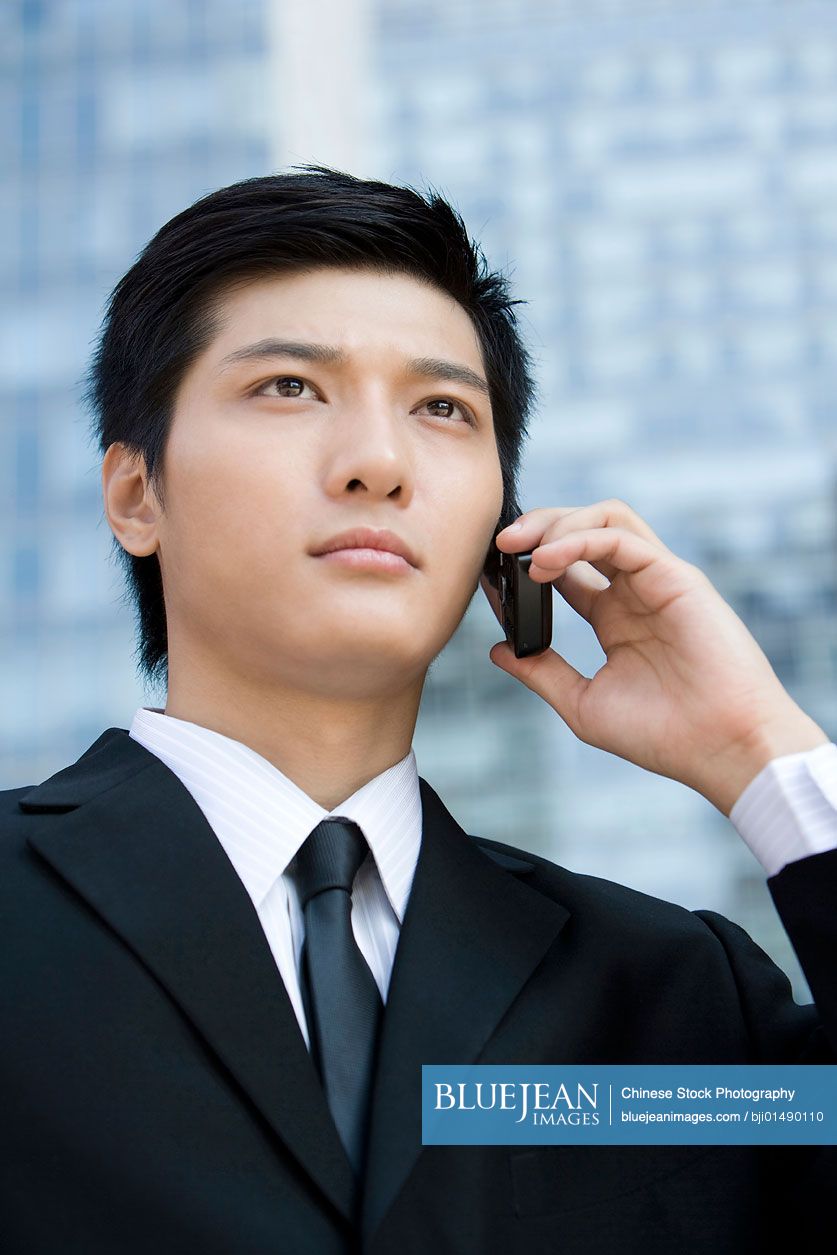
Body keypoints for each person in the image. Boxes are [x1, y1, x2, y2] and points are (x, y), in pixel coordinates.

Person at [1, 166, 834, 1255]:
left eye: (443, 408)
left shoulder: (670, 1000)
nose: (379, 464)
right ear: (135, 493)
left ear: (507, 528)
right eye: (290, 387)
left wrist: (764, 754)